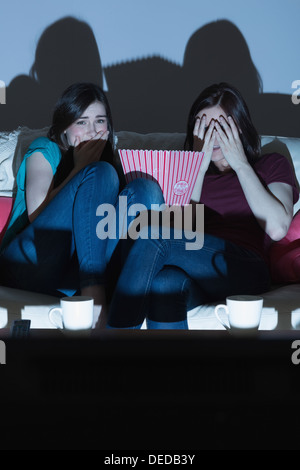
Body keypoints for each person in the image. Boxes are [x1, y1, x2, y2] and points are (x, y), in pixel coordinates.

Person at [107, 82, 299, 329]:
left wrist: (240, 164)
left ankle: (109, 348)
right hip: (193, 267)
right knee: (164, 284)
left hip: (244, 268)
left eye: (220, 126)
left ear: (238, 126)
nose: (212, 136)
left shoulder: (271, 163)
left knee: (153, 236)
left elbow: (277, 228)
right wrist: (195, 165)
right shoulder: (187, 174)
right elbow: (183, 227)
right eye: (203, 127)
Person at [0, 82, 164, 327]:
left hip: (72, 272)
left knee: (144, 188)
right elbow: (37, 215)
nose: (91, 130)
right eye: (81, 122)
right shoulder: (44, 150)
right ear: (64, 128)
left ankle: (130, 298)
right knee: (102, 173)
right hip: (29, 263)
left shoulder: (113, 165)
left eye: (99, 121)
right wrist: (80, 168)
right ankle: (95, 297)